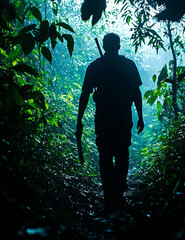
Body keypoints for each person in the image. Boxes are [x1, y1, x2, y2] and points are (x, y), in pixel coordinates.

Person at [76, 33, 144, 208]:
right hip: (121, 116)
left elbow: (85, 95)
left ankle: (110, 192)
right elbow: (136, 93)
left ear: (105, 46)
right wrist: (140, 116)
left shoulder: (96, 66)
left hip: (105, 117)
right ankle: (117, 191)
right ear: (119, 46)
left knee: (106, 153)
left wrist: (80, 119)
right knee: (121, 152)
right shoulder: (127, 65)